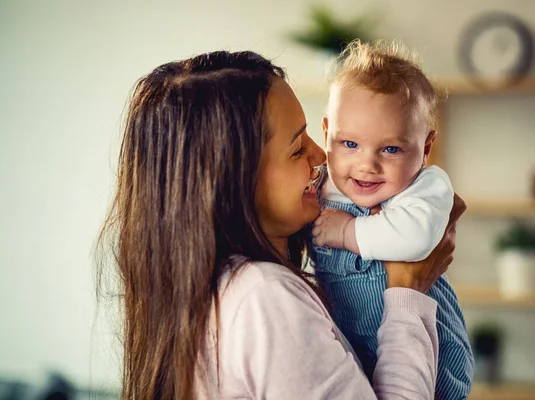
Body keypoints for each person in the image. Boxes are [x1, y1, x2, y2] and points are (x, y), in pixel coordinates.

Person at [97, 50, 466, 400]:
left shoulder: (209, 290)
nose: (321, 155)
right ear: (234, 180)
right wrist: (409, 289)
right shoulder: (264, 299)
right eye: (296, 148)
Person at [310, 40, 474, 399]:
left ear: (426, 148)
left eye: (391, 149)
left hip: (432, 353)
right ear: (326, 134)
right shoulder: (319, 183)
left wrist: (349, 231)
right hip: (353, 349)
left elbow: (414, 237)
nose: (367, 165)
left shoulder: (426, 184)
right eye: (349, 144)